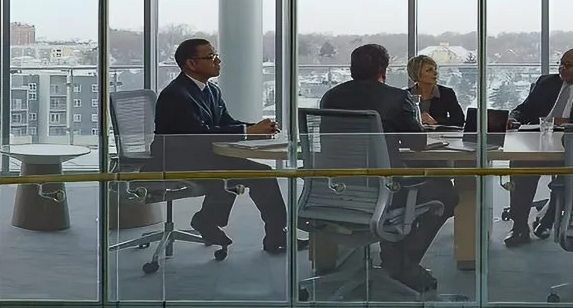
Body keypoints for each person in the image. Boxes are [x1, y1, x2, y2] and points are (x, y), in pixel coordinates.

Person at [319, 43, 458, 294]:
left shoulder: (330, 97)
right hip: (385, 190)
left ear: (352, 69)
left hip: (337, 190)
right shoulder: (396, 97)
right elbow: (417, 143)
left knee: (409, 190)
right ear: (383, 70)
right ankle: (404, 263)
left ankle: (395, 258)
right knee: (445, 192)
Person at [155, 37, 288, 254]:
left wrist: (255, 128)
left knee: (247, 172)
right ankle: (274, 235)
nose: (218, 61)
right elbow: (198, 136)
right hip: (177, 161)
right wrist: (247, 132)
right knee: (259, 174)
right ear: (191, 63)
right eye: (211, 57)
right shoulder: (176, 95)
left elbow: (225, 123)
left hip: (203, 156)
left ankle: (208, 221)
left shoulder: (211, 90)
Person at [502, 48, 573, 247]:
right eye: (561, 62)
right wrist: (513, 118)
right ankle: (519, 226)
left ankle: (550, 216)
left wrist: (567, 122)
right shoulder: (546, 82)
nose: (562, 68)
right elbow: (524, 109)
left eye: (568, 65)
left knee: (570, 175)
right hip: (539, 140)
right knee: (520, 164)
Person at [405, 53, 467, 129]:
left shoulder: (446, 93)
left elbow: (459, 121)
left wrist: (435, 121)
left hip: (440, 137)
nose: (435, 73)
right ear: (417, 74)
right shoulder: (406, 95)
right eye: (429, 70)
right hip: (413, 138)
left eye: (435, 69)